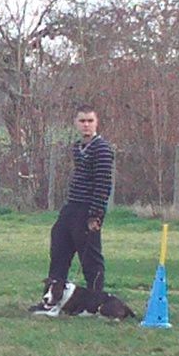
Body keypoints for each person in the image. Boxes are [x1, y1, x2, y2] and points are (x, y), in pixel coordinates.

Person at [31, 105, 114, 314]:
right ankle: (53, 298)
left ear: (96, 123)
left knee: (90, 260)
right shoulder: (77, 147)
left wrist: (96, 215)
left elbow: (103, 184)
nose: (86, 125)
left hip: (88, 210)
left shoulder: (102, 149)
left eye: (90, 121)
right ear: (76, 123)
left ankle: (95, 304)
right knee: (58, 250)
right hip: (71, 207)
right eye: (82, 121)